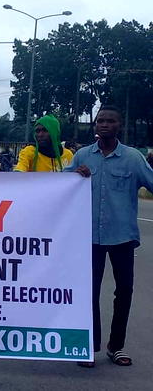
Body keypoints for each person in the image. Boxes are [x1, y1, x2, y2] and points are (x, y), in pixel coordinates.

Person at [66, 105, 153, 368]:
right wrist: (73, 175)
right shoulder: (82, 156)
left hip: (122, 237)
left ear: (119, 126)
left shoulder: (133, 158)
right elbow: (60, 186)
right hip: (88, 237)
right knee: (88, 293)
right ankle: (89, 348)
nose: (104, 125)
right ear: (95, 126)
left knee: (124, 291)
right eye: (100, 121)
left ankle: (116, 347)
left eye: (110, 121)